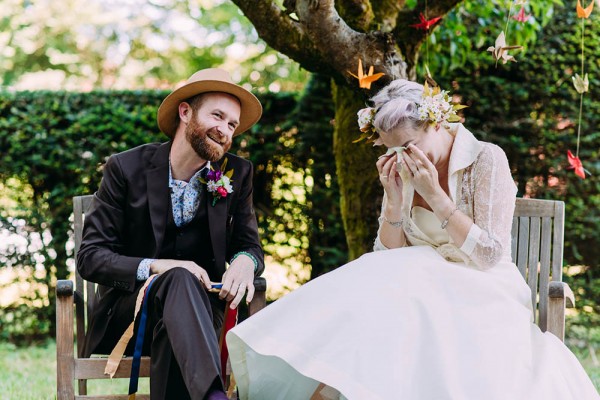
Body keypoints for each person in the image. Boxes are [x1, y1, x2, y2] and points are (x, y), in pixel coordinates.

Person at [226, 79, 600, 399]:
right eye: (391, 148)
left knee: (400, 285)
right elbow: (387, 254)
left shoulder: (486, 159)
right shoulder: (402, 166)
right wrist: (393, 202)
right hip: (416, 287)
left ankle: (326, 391)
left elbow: (489, 255)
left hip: (482, 287)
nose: (402, 155)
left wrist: (435, 195)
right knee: (387, 282)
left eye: (409, 145)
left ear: (436, 124)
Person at [78, 68, 265, 400]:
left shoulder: (238, 173)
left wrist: (245, 262)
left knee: (176, 321)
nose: (224, 130)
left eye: (232, 124)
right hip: (128, 313)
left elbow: (248, 245)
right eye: (217, 116)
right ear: (185, 112)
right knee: (178, 277)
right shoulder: (126, 168)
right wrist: (159, 266)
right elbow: (91, 257)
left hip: (205, 314)